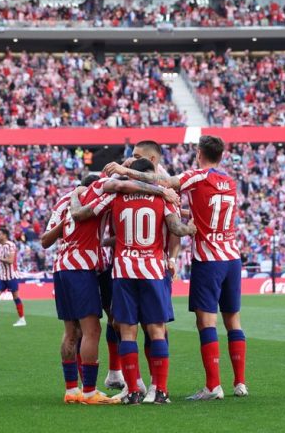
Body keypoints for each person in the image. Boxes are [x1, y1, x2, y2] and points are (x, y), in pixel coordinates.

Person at [106, 135, 249, 400]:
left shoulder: (197, 176)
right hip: (232, 255)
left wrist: (126, 170)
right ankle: (240, 382)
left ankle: (213, 386)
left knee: (206, 321)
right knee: (234, 321)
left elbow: (165, 183)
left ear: (198, 154)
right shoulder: (229, 182)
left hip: (209, 258)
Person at [73, 158, 195, 405]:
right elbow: (176, 228)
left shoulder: (115, 196)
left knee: (127, 331)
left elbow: (84, 214)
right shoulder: (164, 198)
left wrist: (77, 196)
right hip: (152, 269)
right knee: (157, 329)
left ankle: (133, 391)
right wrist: (191, 228)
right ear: (149, 176)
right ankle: (159, 390)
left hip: (124, 270)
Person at [44, 175, 117, 405]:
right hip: (82, 267)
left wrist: (65, 226)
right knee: (92, 330)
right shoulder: (97, 200)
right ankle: (89, 391)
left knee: (70, 331)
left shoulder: (62, 202)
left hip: (61, 268)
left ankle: (71, 390)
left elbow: (45, 240)